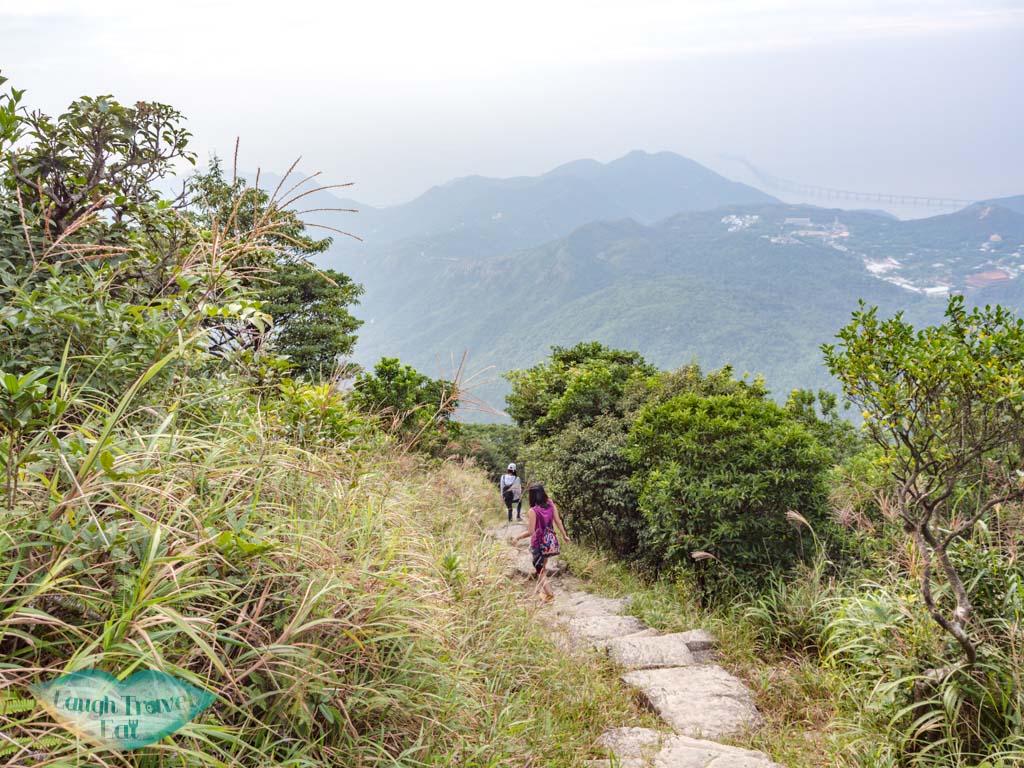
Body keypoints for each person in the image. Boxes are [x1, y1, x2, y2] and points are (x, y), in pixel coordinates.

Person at [512, 483, 570, 603]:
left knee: (539, 570)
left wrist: (518, 537)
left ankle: (550, 595)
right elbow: (558, 521)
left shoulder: (533, 511)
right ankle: (541, 590)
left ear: (532, 496)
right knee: (543, 567)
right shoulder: (550, 503)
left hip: (538, 544)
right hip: (549, 542)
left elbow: (531, 532)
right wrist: (565, 535)